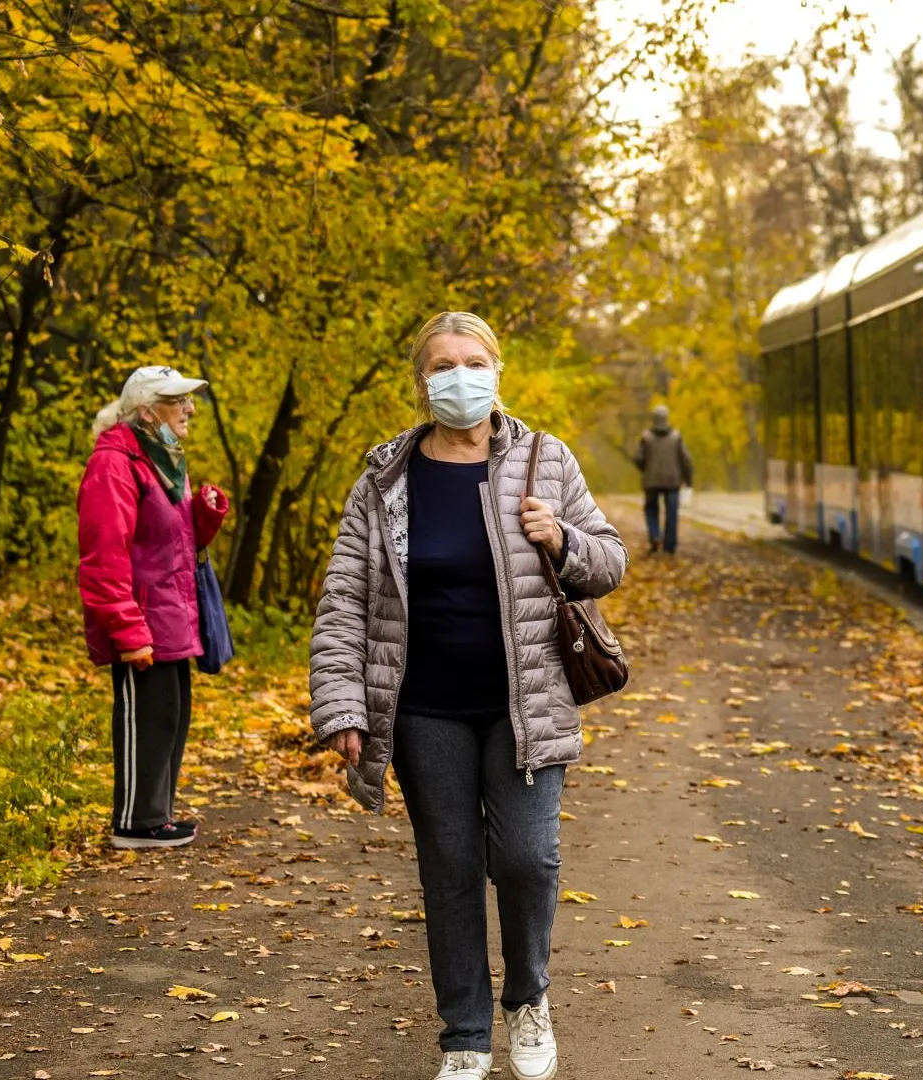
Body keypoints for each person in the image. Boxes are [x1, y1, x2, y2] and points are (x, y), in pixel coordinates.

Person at [309, 311, 625, 1080]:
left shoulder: (546, 461)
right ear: (423, 381)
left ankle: (527, 999)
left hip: (527, 704)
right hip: (423, 709)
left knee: (527, 859)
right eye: (444, 364)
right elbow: (345, 596)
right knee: (448, 866)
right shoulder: (385, 479)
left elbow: (609, 561)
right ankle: (463, 1037)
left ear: (497, 371)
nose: (460, 376)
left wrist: (563, 541)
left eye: (473, 361)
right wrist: (342, 704)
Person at [77, 366, 229, 850]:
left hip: (171, 614)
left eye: (189, 400)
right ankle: (134, 822)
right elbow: (104, 557)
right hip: (142, 618)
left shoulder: (162, 459)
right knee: (145, 715)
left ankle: (156, 815)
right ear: (147, 411)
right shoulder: (114, 464)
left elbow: (173, 544)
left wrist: (204, 514)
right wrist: (127, 630)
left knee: (170, 715)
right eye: (177, 400)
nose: (188, 409)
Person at [632, 404, 692, 554]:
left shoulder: (646, 437)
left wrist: (646, 469)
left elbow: (638, 459)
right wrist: (688, 479)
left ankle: (655, 536)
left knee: (651, 510)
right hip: (672, 481)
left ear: (654, 419)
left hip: (651, 481)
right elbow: (686, 460)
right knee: (672, 513)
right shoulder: (676, 437)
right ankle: (669, 546)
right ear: (666, 418)